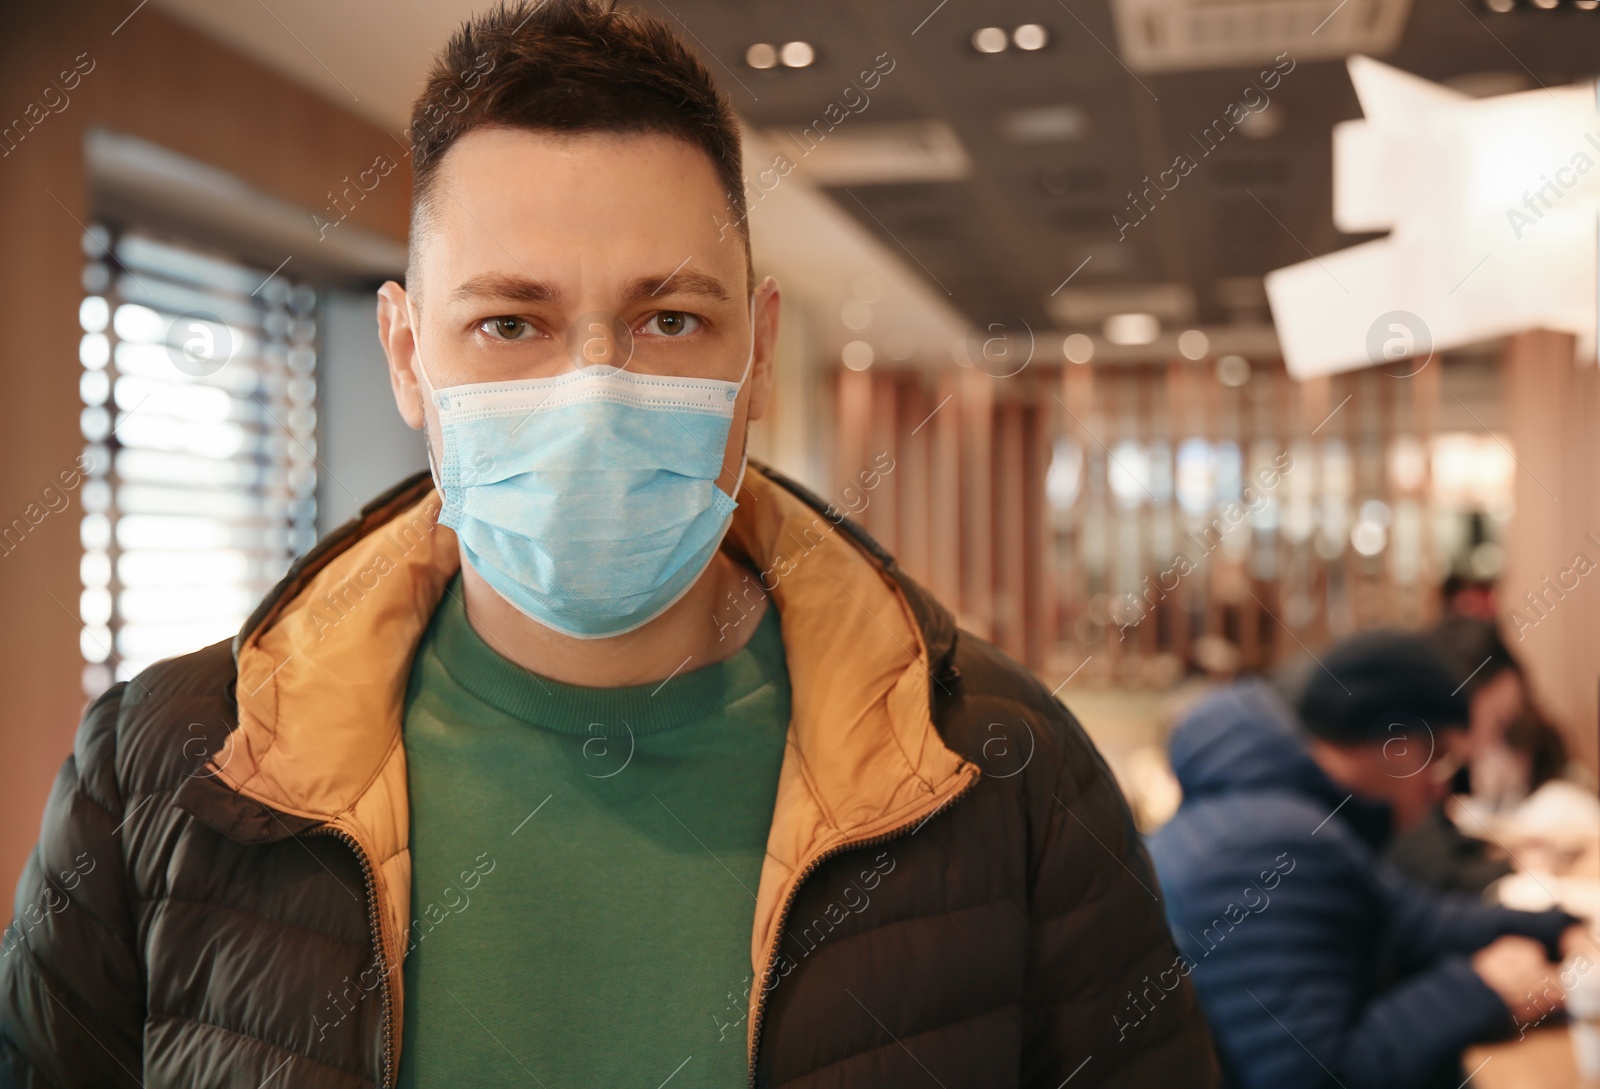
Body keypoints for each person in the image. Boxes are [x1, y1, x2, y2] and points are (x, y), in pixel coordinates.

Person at [0, 3, 1219, 1086]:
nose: (593, 390)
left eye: (670, 317)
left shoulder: (1001, 776)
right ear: (408, 354)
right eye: (510, 322)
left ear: (755, 354)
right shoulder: (163, 776)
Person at [1149, 631, 1586, 1089]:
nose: (1441, 786)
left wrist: (1557, 926)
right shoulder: (1266, 842)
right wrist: (1479, 988)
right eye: (1435, 756)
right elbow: (1313, 1076)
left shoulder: (1296, 812)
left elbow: (1419, 920)